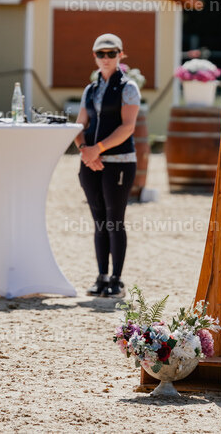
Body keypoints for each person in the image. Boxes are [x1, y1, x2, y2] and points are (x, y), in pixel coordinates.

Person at [74, 34, 139, 298]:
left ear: (121, 55)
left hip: (119, 163)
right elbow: (80, 125)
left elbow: (128, 127)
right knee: (99, 221)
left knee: (115, 220)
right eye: (101, 54)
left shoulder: (128, 87)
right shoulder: (90, 90)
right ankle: (101, 276)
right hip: (90, 162)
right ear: (95, 57)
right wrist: (84, 151)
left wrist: (97, 149)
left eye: (112, 54)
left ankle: (117, 280)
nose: (106, 58)